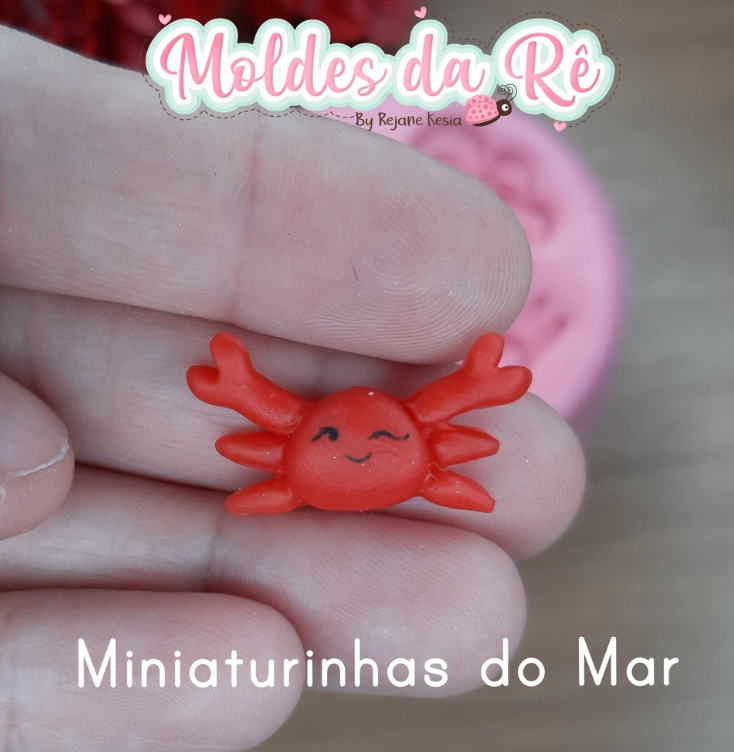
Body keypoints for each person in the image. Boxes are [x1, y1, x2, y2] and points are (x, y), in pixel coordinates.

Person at [0, 25, 584, 751]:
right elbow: (276, 411)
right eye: (333, 436)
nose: (359, 449)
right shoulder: (320, 447)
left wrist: (465, 390)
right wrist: (244, 388)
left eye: (373, 437)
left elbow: (299, 413)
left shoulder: (392, 449)